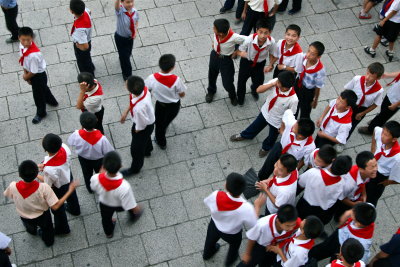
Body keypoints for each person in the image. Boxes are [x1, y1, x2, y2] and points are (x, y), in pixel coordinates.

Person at [4, 160, 79, 246]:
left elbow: (8, 194)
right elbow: (55, 206)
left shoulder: (13, 185)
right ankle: (48, 241)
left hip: (24, 215)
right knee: (47, 230)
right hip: (42, 216)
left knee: (29, 226)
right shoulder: (43, 188)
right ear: (36, 174)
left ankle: (32, 231)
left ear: (19, 175)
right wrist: (69, 191)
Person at [230, 71, 298, 158]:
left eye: (279, 83)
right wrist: (272, 84)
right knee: (255, 125)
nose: (277, 83)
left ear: (285, 88)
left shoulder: (293, 99)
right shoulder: (276, 82)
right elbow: (258, 90)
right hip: (266, 112)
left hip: (277, 120)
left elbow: (291, 114)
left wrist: (282, 126)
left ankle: (266, 148)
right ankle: (245, 135)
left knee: (272, 137)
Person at [203, 173, 258, 266]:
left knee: (210, 240)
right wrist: (257, 206)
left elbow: (206, 202)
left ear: (226, 185)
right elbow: (253, 225)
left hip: (214, 225)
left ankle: (207, 254)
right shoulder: (246, 208)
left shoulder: (216, 195)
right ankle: (229, 262)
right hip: (232, 233)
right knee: (234, 247)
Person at [90, 151, 142, 238]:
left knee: (106, 219)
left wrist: (100, 173)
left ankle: (109, 233)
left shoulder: (95, 178)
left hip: (105, 203)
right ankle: (133, 216)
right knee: (130, 209)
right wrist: (137, 209)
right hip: (120, 205)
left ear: (103, 166)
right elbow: (130, 203)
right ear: (120, 166)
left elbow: (93, 188)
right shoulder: (124, 186)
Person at [39, 133, 81, 235]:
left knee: (58, 210)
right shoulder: (64, 148)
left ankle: (63, 229)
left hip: (58, 187)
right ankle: (75, 209)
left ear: (46, 150)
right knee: (72, 195)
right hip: (67, 176)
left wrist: (36, 174)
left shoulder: (49, 169)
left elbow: (47, 183)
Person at [309, 203, 376, 264]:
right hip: (340, 234)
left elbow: (361, 259)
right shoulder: (368, 209)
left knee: (334, 260)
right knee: (321, 249)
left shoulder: (362, 243)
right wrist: (348, 213)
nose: (352, 211)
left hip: (344, 249)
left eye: (353, 213)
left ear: (358, 222)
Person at [257, 109, 315, 180]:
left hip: (290, 159)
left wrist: (295, 170)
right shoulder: (292, 123)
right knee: (267, 166)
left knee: (281, 176)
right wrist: (282, 130)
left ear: (300, 136)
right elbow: (287, 112)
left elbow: (304, 160)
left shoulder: (310, 147)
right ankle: (260, 179)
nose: (293, 125)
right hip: (280, 147)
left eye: (295, 127)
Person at [145, 54, 186, 150]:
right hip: (174, 106)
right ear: (172, 67)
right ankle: (165, 128)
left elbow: (146, 89)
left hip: (161, 106)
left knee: (159, 125)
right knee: (167, 120)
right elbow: (182, 94)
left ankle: (161, 142)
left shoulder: (152, 78)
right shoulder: (176, 80)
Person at [18, 26, 58, 124]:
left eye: (28, 40)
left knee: (38, 95)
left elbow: (34, 71)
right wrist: (25, 72)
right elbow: (24, 61)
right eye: (23, 40)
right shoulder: (21, 46)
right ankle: (52, 101)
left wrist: (25, 77)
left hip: (38, 76)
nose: (26, 42)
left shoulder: (34, 55)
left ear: (32, 38)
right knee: (43, 88)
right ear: (19, 38)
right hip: (32, 73)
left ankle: (41, 113)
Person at [296, 155, 352, 225]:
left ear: (333, 160)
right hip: (321, 212)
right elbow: (340, 198)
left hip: (304, 206)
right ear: (345, 173)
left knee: (297, 221)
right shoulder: (343, 185)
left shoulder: (313, 172)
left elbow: (301, 184)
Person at [68, 112, 114, 193]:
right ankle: (100, 185)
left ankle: (90, 188)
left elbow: (70, 142)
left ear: (81, 124)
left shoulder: (77, 134)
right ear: (96, 121)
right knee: (100, 174)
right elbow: (109, 152)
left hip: (83, 159)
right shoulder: (102, 139)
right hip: (98, 160)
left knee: (87, 174)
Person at [120, 76, 155, 176]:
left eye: (126, 83)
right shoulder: (143, 90)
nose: (125, 83)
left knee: (136, 151)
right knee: (146, 139)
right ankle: (148, 150)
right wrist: (126, 112)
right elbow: (133, 102)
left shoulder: (139, 109)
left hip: (143, 127)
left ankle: (135, 168)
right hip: (149, 122)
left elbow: (141, 124)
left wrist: (136, 131)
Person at [206, 19, 246, 106]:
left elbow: (247, 40)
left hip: (226, 60)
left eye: (214, 28)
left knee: (227, 82)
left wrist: (237, 51)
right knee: (212, 75)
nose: (213, 29)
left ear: (221, 33)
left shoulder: (234, 37)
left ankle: (232, 95)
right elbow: (216, 41)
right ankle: (211, 91)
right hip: (214, 56)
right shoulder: (217, 33)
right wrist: (214, 44)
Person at [237, 18, 277, 105]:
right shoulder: (249, 39)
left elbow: (272, 53)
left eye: (266, 33)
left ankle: (254, 90)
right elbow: (240, 51)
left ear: (270, 32)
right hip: (246, 62)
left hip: (260, 64)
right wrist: (246, 55)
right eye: (260, 32)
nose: (263, 35)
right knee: (241, 81)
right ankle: (240, 98)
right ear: (256, 30)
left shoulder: (271, 42)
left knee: (259, 81)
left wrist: (270, 64)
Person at [344, 62, 384, 139]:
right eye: (367, 73)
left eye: (371, 76)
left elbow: (375, 104)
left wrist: (362, 113)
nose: (367, 77)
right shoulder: (357, 79)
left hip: (361, 109)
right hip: (350, 103)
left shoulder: (379, 90)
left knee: (351, 125)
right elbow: (346, 90)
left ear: (378, 78)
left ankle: (343, 140)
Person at [334, 151, 377, 221]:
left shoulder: (368, 174)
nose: (375, 169)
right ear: (361, 169)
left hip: (355, 197)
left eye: (376, 165)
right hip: (345, 201)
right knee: (340, 213)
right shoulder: (349, 184)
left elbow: (363, 184)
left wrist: (364, 195)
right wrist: (353, 204)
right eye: (372, 167)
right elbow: (341, 198)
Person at [366, 121, 400, 206]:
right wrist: (372, 150)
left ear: (394, 139)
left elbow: (397, 178)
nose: (382, 136)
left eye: (386, 135)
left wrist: (386, 183)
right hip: (370, 165)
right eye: (383, 133)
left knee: (371, 197)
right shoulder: (380, 132)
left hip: (379, 176)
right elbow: (375, 130)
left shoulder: (397, 158)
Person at [358, 70, 400, 135]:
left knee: (384, 115)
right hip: (392, 94)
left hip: (396, 101)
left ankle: (371, 129)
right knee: (383, 112)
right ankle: (378, 121)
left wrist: (396, 104)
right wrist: (388, 75)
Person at [295, 41, 326, 119]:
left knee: (305, 111)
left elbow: (318, 87)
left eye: (312, 54)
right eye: (308, 51)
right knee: (294, 104)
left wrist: (315, 100)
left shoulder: (320, 71)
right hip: (298, 83)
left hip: (308, 91)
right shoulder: (303, 57)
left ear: (318, 57)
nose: (308, 55)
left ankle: (303, 125)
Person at [114, 0, 138, 81]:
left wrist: (135, 31)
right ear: (122, 2)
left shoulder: (135, 11)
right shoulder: (120, 11)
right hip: (120, 38)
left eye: (132, 2)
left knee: (128, 53)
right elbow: (116, 6)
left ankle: (123, 58)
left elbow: (136, 21)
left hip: (130, 37)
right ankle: (127, 75)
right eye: (127, 2)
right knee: (124, 58)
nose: (130, 4)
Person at [70, 0, 95, 75]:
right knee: (87, 58)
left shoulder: (79, 28)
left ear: (71, 11)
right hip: (88, 38)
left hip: (81, 45)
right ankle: (91, 67)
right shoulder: (85, 11)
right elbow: (90, 12)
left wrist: (78, 46)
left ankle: (89, 78)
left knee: (82, 63)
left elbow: (85, 46)